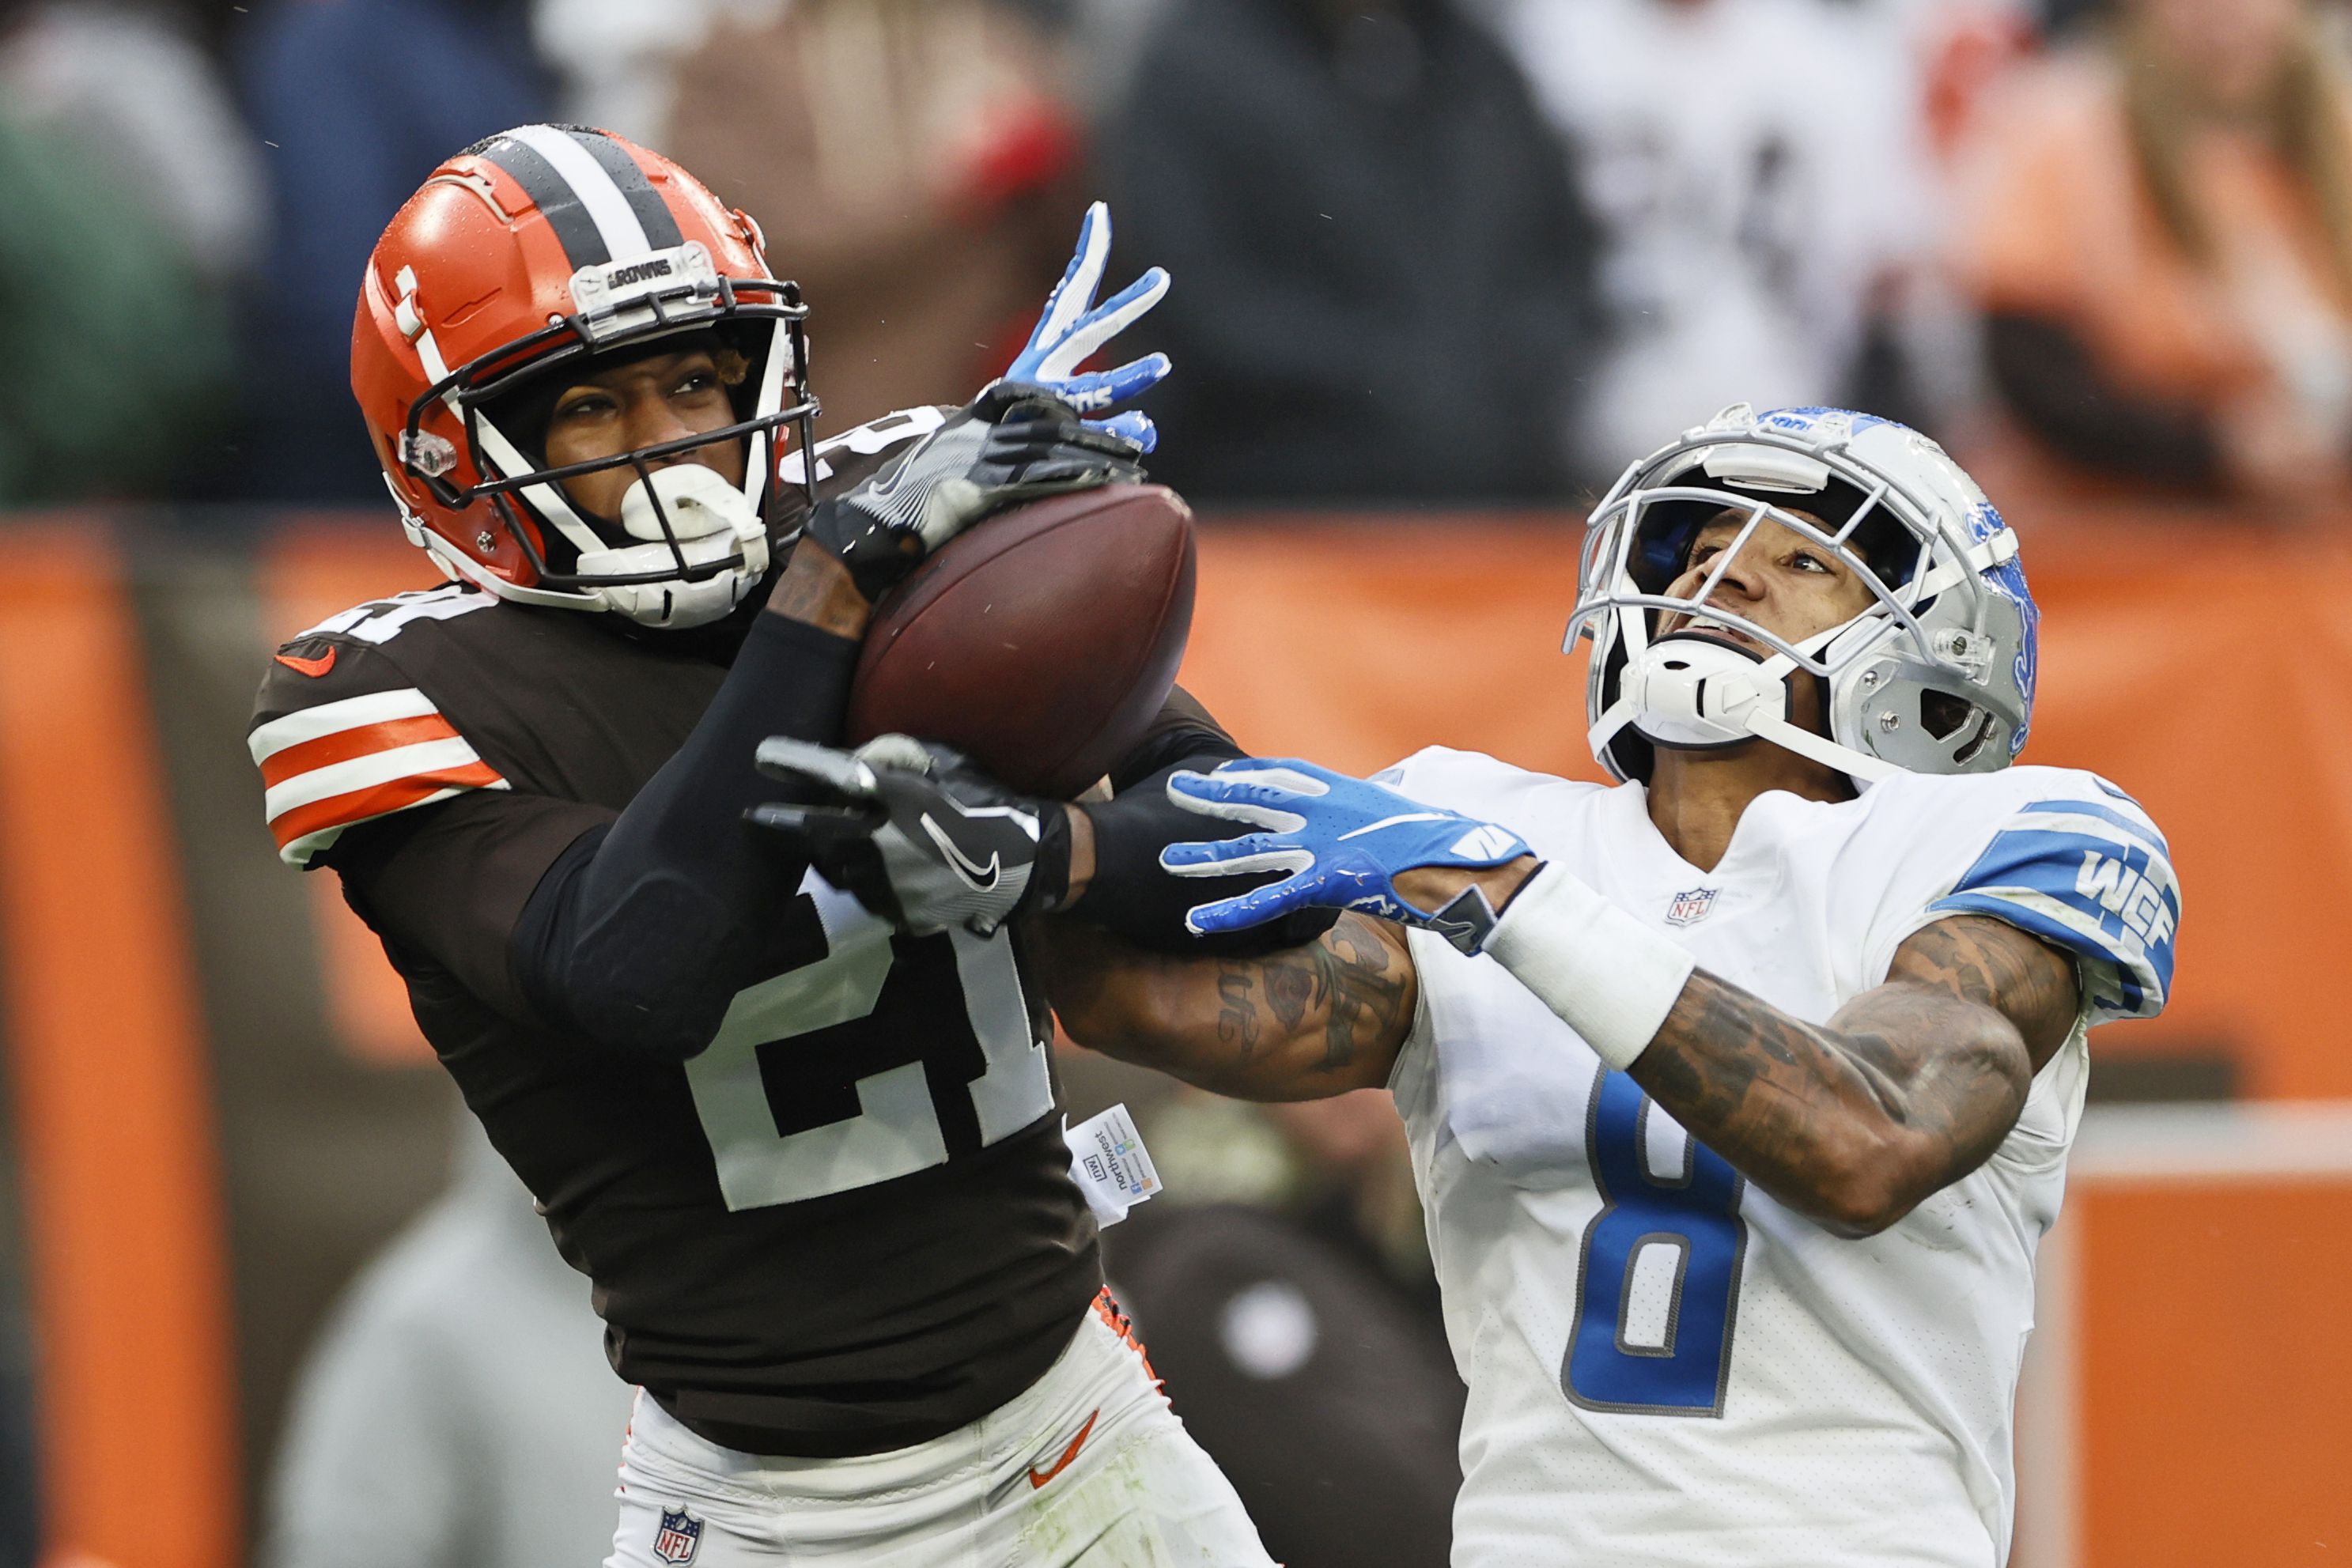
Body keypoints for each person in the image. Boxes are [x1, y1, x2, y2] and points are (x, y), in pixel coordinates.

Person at [766, 402, 2178, 1566]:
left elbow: (1872, 1138)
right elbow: (1163, 1004)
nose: (1719, 573)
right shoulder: (1481, 818)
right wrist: (1020, 761)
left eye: (1803, 557)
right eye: (1693, 542)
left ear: (1935, 658)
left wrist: (1504, 897)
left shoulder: (2010, 833)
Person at [247, 123, 1279, 1566]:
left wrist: (1043, 851)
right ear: (453, 458)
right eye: (591, 408)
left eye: (692, 380)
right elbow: (636, 964)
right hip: (779, 1516)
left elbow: (1257, 861)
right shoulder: (392, 693)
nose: (672, 442)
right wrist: (832, 586)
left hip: (1085, 1428)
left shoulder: (883, 522)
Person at [1957, 0, 2352, 500]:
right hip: (2118, 528)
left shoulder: (2339, 125)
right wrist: (2215, 447)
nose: (2224, 14)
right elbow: (2036, 374)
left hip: (2312, 540)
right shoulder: (2066, 133)